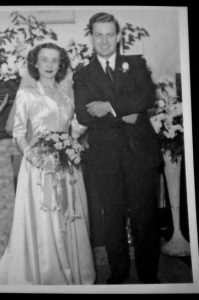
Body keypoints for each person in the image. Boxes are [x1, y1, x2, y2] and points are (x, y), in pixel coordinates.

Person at [0, 42, 96, 285]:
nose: (49, 65)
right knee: (46, 219)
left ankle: (74, 274)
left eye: (54, 60)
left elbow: (75, 127)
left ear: (61, 65)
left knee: (69, 217)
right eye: (44, 60)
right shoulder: (27, 93)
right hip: (38, 167)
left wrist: (82, 127)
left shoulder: (67, 93)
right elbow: (17, 132)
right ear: (35, 64)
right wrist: (34, 156)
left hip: (66, 165)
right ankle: (49, 276)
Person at [73, 12, 163, 284]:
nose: (104, 40)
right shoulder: (83, 74)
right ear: (91, 37)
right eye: (98, 35)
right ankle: (119, 274)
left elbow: (146, 96)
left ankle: (149, 277)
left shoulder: (135, 64)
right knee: (112, 218)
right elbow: (85, 115)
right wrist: (125, 110)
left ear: (118, 36)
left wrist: (108, 107)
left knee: (145, 219)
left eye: (109, 34)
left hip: (140, 155)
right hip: (105, 157)